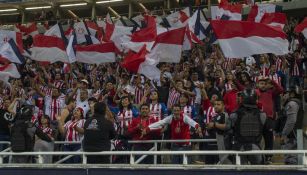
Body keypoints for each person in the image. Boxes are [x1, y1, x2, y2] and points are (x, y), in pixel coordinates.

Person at [226, 88, 273, 165]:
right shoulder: (262, 115)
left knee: (240, 172)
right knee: (258, 172)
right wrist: (268, 154)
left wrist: (229, 151)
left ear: (242, 99)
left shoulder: (234, 114)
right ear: (255, 99)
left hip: (239, 149)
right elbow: (269, 137)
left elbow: (228, 135)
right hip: (256, 148)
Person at [276, 86, 303, 165]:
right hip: (294, 135)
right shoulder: (296, 103)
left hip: (291, 136)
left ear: (292, 94)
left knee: (290, 160)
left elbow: (291, 121)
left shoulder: (292, 103)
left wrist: (284, 135)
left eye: (284, 94)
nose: (282, 96)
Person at [206, 97, 232, 164]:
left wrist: (214, 125)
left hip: (223, 144)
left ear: (223, 106)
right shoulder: (215, 116)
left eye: (218, 104)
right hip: (214, 144)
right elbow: (210, 126)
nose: (216, 106)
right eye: (215, 104)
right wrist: (208, 127)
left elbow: (227, 126)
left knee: (224, 165)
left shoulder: (225, 115)